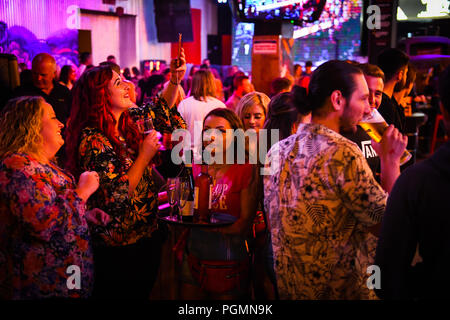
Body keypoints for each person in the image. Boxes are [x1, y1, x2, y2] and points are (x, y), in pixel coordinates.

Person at [264, 60, 407, 300]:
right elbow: (390, 226)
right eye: (362, 99)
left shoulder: (276, 151)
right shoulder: (343, 153)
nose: (368, 109)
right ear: (338, 99)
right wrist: (390, 161)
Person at [65, 50, 187, 299]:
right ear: (102, 96)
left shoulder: (126, 120)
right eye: (119, 82)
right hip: (119, 248)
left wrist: (174, 80)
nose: (128, 86)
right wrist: (144, 156)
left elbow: (160, 111)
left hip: (145, 236)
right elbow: (116, 197)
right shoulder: (93, 139)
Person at [0, 96, 108, 299]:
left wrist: (84, 213)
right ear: (30, 124)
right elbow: (42, 225)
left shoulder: (42, 165)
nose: (61, 123)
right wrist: (82, 192)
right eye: (53, 117)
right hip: (42, 286)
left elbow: (56, 208)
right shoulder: (16, 166)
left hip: (69, 279)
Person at [374, 65, 450, 300]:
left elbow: (384, 277)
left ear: (443, 110)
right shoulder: (264, 138)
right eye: (364, 95)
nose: (371, 103)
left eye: (376, 94)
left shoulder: (419, 181)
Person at [181, 108, 258, 300]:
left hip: (228, 260)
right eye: (207, 130)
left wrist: (206, 228)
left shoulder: (245, 168)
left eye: (221, 131)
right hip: (195, 256)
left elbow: (244, 223)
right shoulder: (198, 165)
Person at [342, 63, 385, 181]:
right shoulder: (341, 129)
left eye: (377, 94)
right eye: (366, 93)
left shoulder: (376, 127)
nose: (372, 100)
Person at [13, 53, 72, 126]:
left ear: (54, 74)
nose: (38, 78)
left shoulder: (63, 91)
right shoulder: (21, 93)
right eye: (35, 74)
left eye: (43, 75)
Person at [177, 69, 226, 154]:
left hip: (189, 155)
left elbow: (178, 136)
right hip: (213, 154)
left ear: (194, 83)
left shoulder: (184, 104)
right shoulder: (220, 105)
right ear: (212, 83)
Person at [377, 48, 410, 134]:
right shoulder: (387, 106)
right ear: (400, 75)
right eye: (406, 73)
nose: (406, 77)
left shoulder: (385, 101)